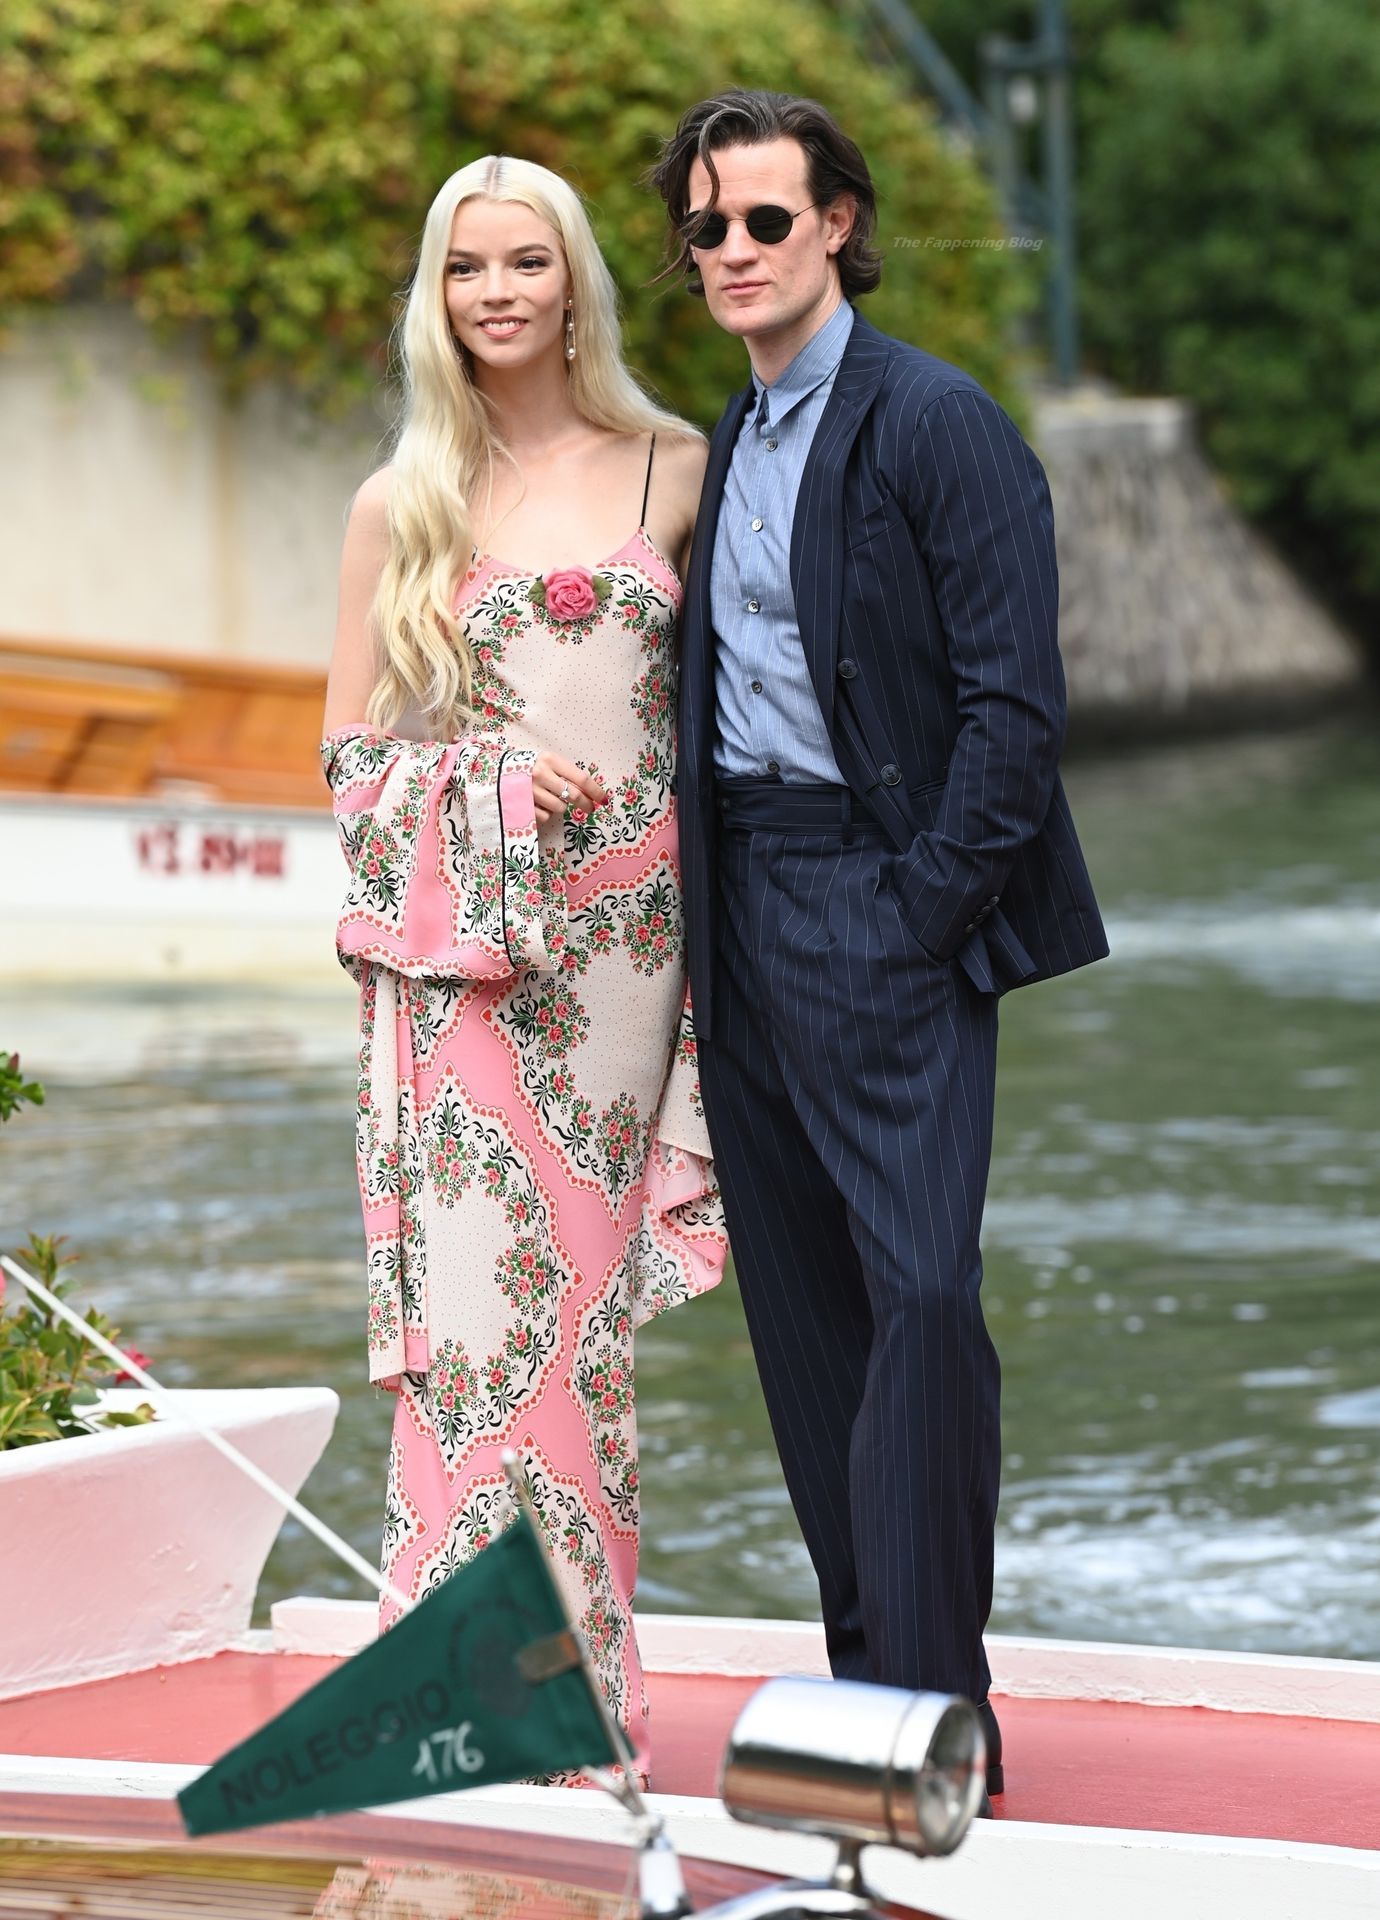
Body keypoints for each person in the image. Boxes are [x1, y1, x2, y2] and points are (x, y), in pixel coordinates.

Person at [651, 90, 1108, 1801]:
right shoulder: (730, 436)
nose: (735, 253)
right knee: (809, 1318)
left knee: (922, 1299)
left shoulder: (938, 420)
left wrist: (921, 917)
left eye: (766, 220)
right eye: (707, 228)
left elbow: (1018, 710)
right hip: (743, 913)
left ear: (836, 222)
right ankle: (874, 1687)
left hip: (883, 900)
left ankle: (940, 1709)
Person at [322, 155, 727, 1784]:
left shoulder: (681, 470)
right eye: (467, 268)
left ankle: (581, 1707)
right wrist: (474, 777)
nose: (497, 293)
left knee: (588, 1343)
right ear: (440, 293)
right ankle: (470, 1707)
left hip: (631, 973)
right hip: (473, 975)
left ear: (575, 283)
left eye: (526, 263)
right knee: (485, 1337)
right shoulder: (399, 502)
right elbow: (348, 767)